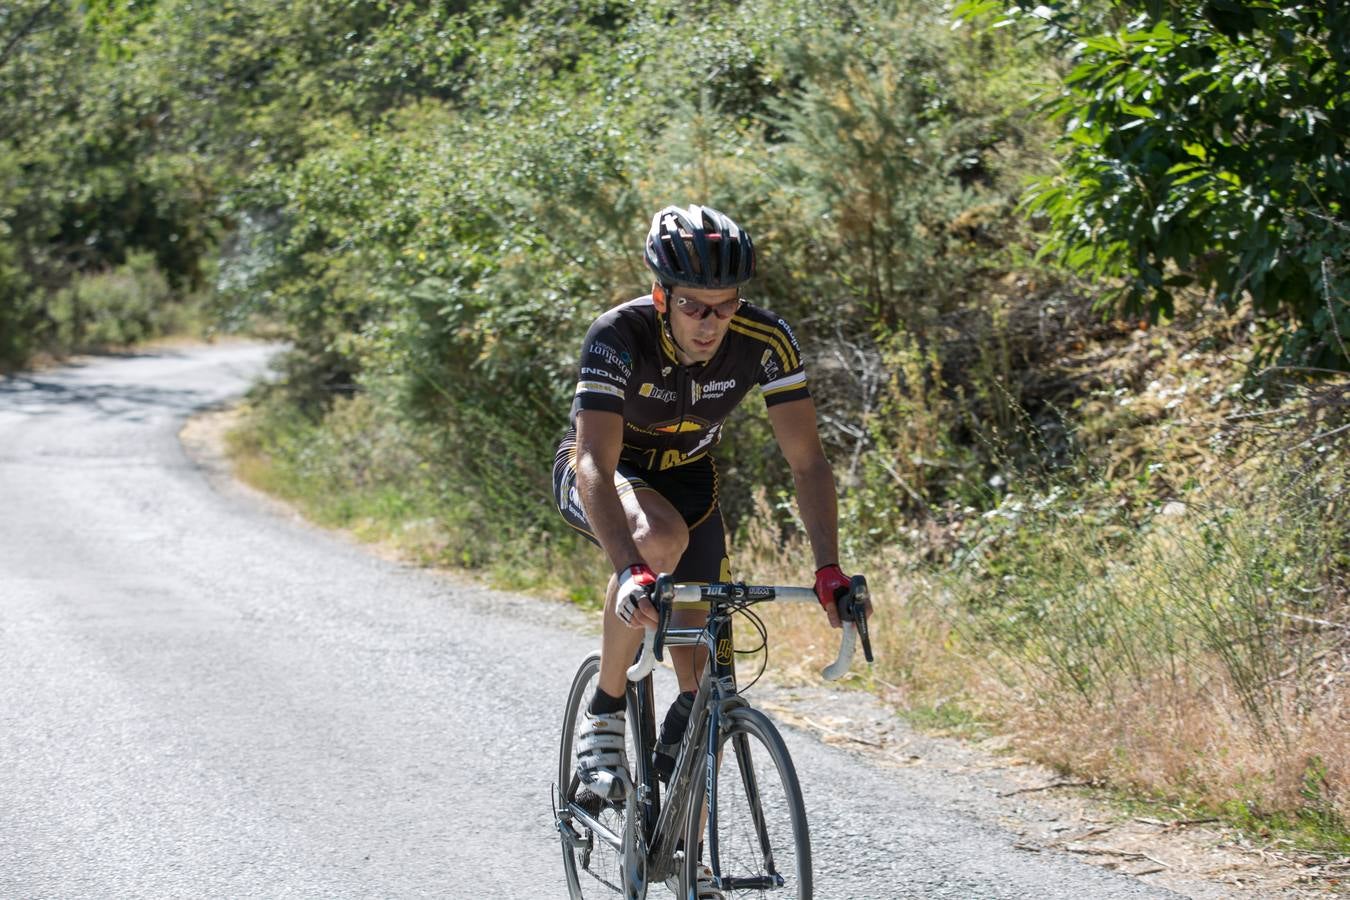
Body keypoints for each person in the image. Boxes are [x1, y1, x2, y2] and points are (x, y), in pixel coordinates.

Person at [552, 204, 868, 895]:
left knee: (704, 692)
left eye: (725, 308)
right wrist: (631, 569)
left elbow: (808, 462)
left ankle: (682, 858)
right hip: (604, 473)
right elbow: (595, 468)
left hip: (692, 482)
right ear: (662, 296)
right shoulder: (618, 334)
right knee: (657, 538)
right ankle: (606, 715)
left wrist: (828, 570)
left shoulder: (765, 341)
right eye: (694, 307)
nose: (710, 324)